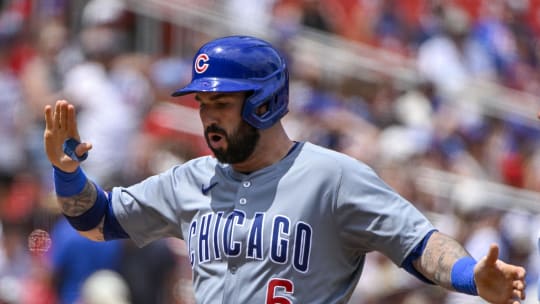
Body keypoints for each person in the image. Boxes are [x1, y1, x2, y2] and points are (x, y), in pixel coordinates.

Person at [43, 35, 526, 304]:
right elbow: (97, 221)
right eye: (203, 103)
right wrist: (67, 172)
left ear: (264, 103)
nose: (208, 115)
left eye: (222, 103)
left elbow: (419, 244)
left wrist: (468, 277)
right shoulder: (189, 180)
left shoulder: (333, 178)